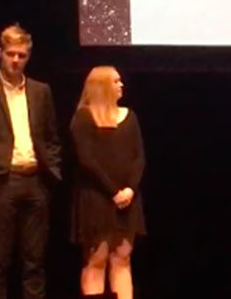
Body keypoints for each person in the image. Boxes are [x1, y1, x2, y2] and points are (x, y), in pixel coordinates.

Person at [0, 24, 62, 299]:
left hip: (36, 181)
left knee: (35, 261)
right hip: (2, 181)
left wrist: (51, 168)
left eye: (22, 55)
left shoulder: (41, 91)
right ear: (0, 53)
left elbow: (51, 137)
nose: (16, 60)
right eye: (11, 54)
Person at [71, 66, 145, 299]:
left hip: (127, 199)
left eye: (120, 81)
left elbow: (139, 157)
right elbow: (86, 159)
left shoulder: (129, 116)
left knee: (122, 258)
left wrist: (130, 189)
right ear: (101, 86)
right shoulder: (84, 117)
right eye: (115, 81)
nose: (121, 85)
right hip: (97, 198)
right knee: (97, 259)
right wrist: (113, 191)